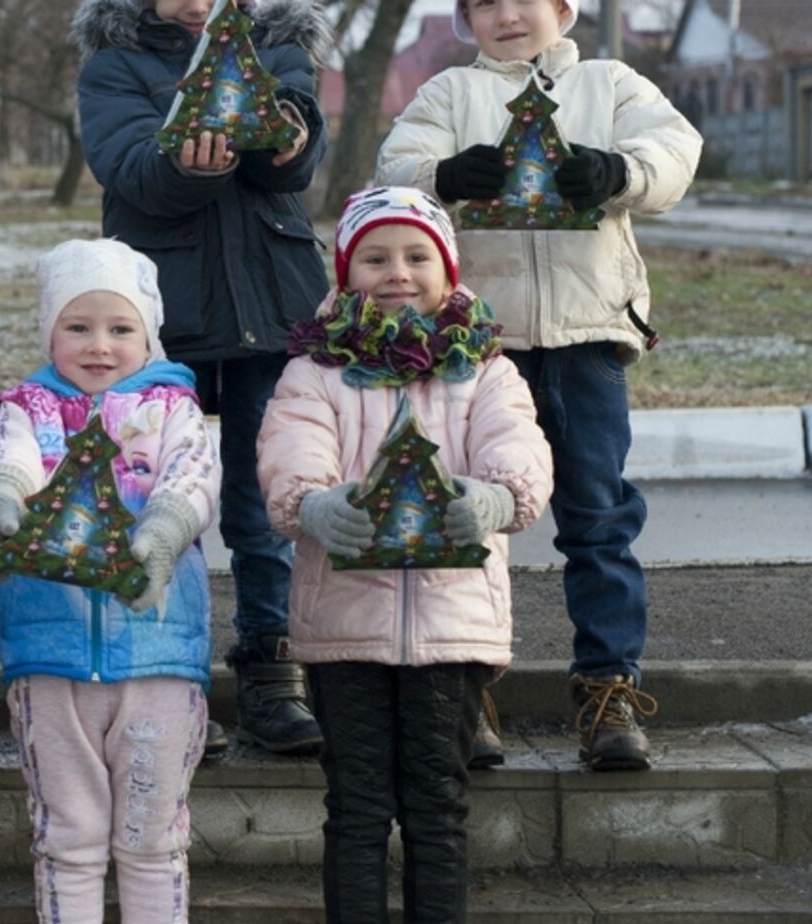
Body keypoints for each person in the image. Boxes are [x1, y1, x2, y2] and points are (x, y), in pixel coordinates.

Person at [375, 0, 701, 770]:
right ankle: (469, 687)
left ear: (564, 9)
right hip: (479, 349)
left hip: (588, 340)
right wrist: (443, 177)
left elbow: (675, 150)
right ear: (465, 19)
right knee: (471, 519)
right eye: (483, 3)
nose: (507, 15)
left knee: (599, 517)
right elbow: (397, 165)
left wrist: (621, 173)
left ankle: (608, 688)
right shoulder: (452, 95)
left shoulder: (609, 83)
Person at [257, 187, 553, 922]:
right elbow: (291, 457)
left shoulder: (485, 370)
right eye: (376, 258)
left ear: (448, 271)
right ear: (345, 273)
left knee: (437, 806)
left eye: (418, 255)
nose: (398, 272)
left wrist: (494, 496)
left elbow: (518, 445)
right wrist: (315, 506)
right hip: (344, 632)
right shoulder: (313, 374)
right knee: (356, 808)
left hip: (452, 632)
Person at [72, 0, 332, 756]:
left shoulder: (279, 43)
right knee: (149, 495)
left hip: (271, 301)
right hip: (158, 313)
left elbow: (302, 149)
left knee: (265, 497)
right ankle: (158, 673)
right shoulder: (113, 64)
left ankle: (271, 668)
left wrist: (284, 139)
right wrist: (183, 164)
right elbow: (126, 170)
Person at [0, 238, 221, 923]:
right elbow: (11, 459)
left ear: (148, 334)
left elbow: (194, 476)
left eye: (120, 328)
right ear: (50, 331)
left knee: (151, 841)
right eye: (77, 326)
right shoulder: (27, 409)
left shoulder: (173, 409)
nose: (99, 346)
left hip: (158, 657)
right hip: (50, 659)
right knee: (68, 840)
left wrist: (166, 527)